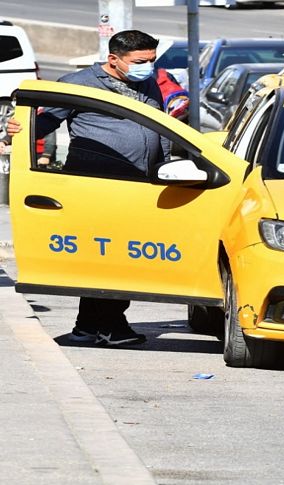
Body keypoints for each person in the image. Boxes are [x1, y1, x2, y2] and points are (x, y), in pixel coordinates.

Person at [6, 29, 168, 345]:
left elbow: (159, 128)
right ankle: (111, 326)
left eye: (151, 60)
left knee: (118, 260)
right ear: (113, 59)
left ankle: (88, 326)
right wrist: (16, 128)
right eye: (140, 61)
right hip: (97, 189)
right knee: (111, 260)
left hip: (140, 188)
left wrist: (164, 169)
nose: (147, 66)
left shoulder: (146, 83)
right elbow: (42, 123)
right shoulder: (78, 85)